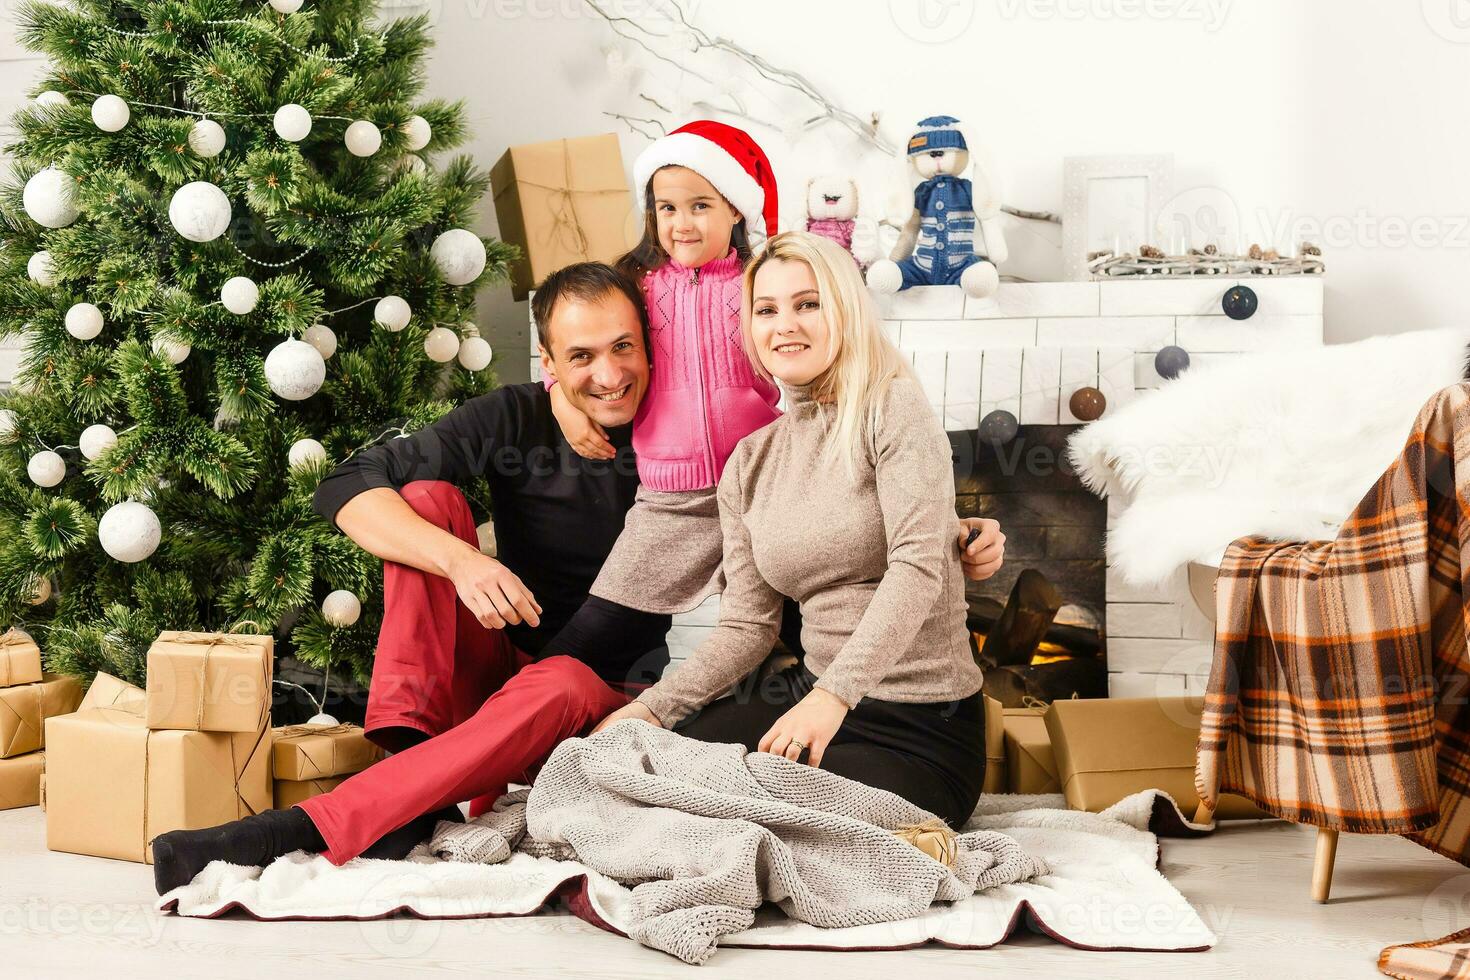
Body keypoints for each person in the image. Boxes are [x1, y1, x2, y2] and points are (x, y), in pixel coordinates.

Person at [148, 259, 1004, 895]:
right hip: (513, 677)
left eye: (625, 348)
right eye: (582, 357)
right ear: (550, 362)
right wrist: (464, 558)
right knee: (429, 502)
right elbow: (343, 484)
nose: (610, 374)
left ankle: (327, 821)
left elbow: (884, 555)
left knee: (596, 723)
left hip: (622, 685)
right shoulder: (559, 422)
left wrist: (944, 538)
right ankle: (409, 757)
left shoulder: (699, 443)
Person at [596, 231, 997, 828]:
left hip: (919, 723)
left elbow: (919, 566)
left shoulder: (893, 408)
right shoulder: (750, 460)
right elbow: (748, 626)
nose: (785, 324)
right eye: (766, 309)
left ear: (844, 310)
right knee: (640, 768)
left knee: (757, 809)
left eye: (807, 303)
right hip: (807, 696)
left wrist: (832, 698)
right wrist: (650, 712)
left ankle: (897, 834)